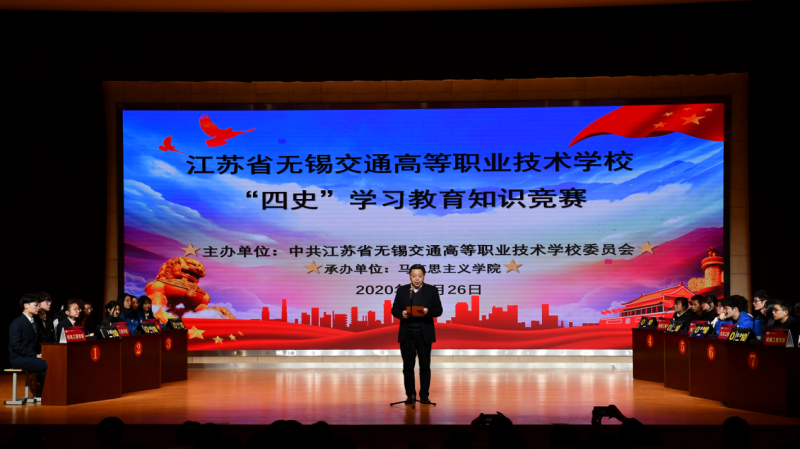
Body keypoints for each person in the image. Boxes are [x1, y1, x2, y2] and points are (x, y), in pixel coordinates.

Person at [391, 264, 443, 405]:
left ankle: (424, 395)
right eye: (414, 276)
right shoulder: (402, 290)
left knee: (425, 366)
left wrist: (428, 311)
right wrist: (401, 313)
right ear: (409, 276)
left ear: (424, 276)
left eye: (420, 276)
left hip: (424, 334)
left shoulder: (431, 290)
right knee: (408, 366)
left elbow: (439, 310)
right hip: (407, 334)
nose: (417, 278)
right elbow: (394, 309)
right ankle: (410, 395)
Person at [8, 294, 48, 394]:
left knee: (53, 362)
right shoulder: (17, 323)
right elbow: (16, 345)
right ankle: (47, 393)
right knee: (45, 364)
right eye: (36, 305)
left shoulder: (36, 322)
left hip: (32, 356)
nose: (38, 308)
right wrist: (35, 355)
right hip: (19, 358)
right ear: (26, 305)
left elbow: (42, 339)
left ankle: (47, 390)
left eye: (39, 305)